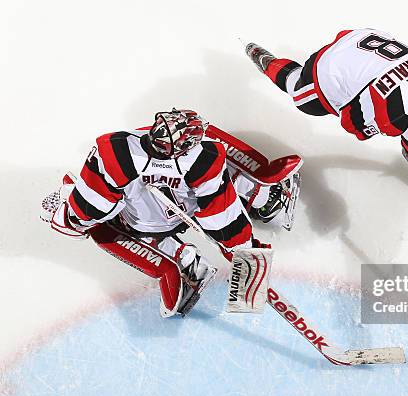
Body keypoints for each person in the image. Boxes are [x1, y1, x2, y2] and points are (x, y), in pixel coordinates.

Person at [41, 109, 274, 318]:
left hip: (142, 225)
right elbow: (220, 214)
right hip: (188, 213)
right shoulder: (204, 157)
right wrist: (241, 249)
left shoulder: (116, 150)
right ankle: (265, 195)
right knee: (217, 155)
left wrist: (68, 219)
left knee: (100, 230)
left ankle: (185, 265)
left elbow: (91, 209)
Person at [244, 28, 408, 213]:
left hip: (361, 40)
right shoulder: (395, 113)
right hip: (331, 65)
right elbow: (350, 122)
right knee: (300, 94)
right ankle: (267, 62)